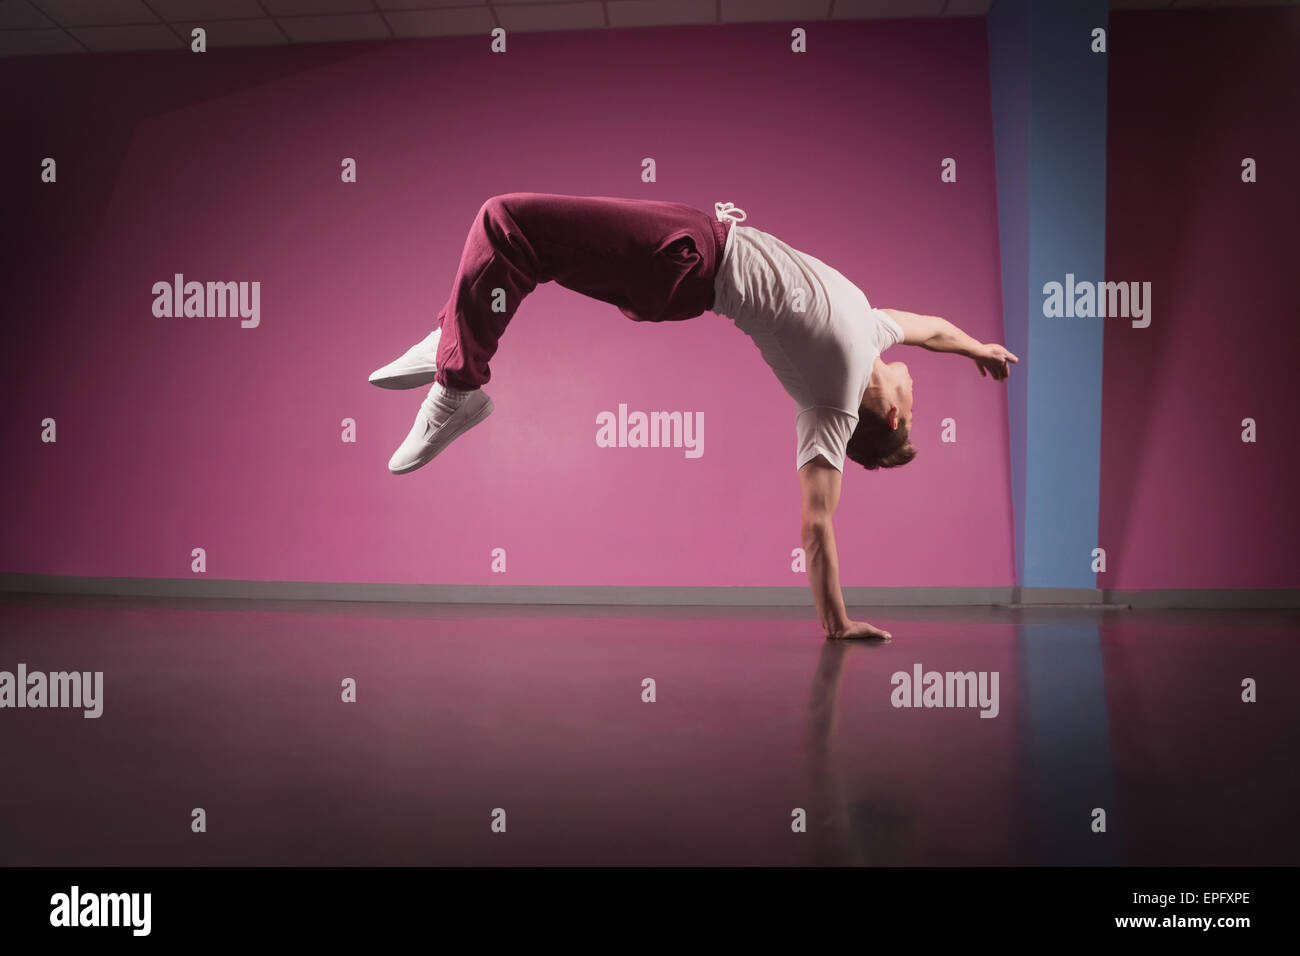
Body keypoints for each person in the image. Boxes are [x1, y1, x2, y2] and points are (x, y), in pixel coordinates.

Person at [369, 192, 1017, 640]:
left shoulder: (835, 398)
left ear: (896, 419)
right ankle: (459, 337)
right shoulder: (872, 335)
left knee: (506, 220)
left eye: (919, 406)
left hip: (690, 263)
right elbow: (930, 329)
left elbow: (817, 526)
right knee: (521, 243)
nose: (917, 384)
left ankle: (459, 383)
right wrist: (977, 348)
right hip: (700, 240)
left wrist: (836, 622)